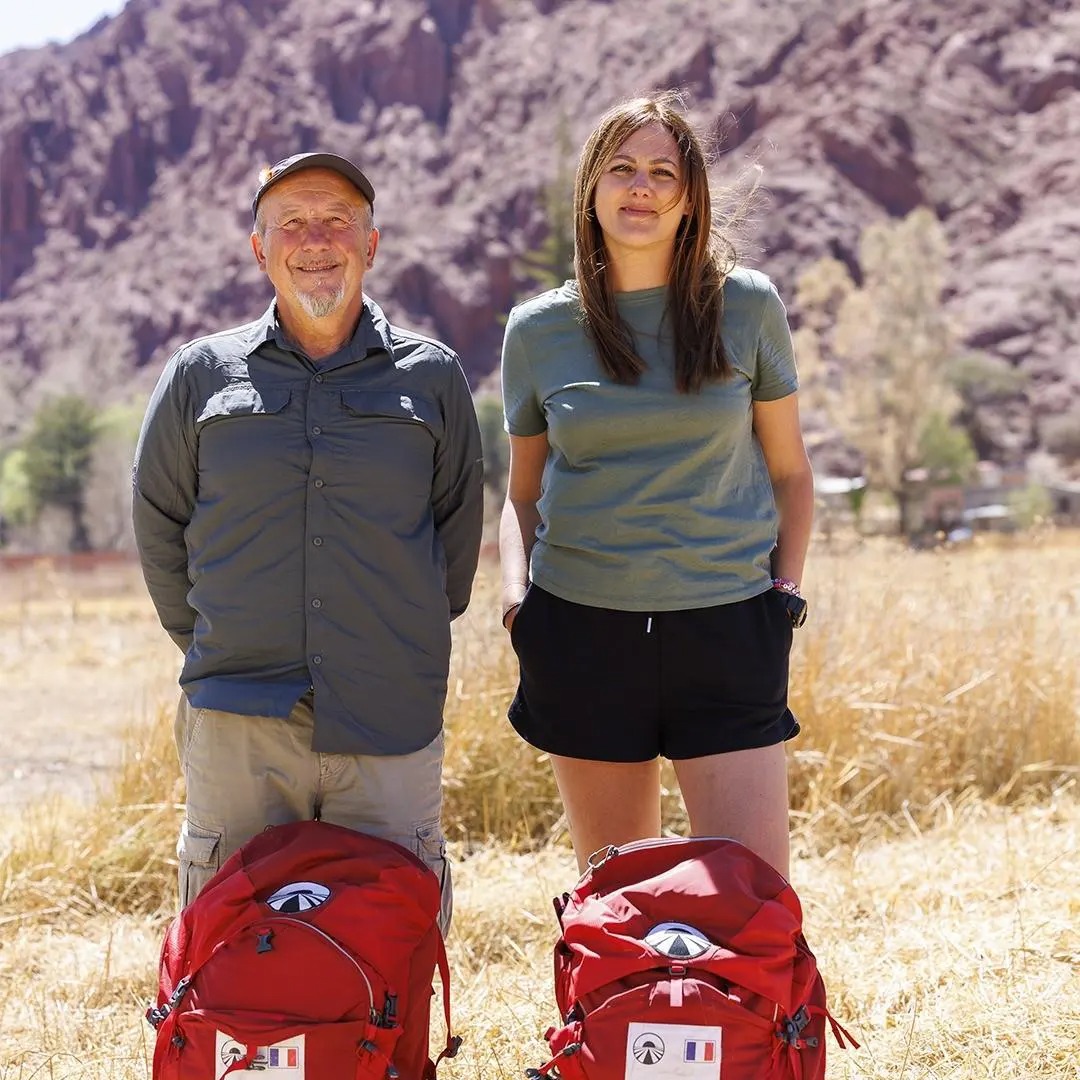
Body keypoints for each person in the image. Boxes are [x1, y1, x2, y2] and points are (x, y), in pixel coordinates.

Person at [133, 152, 484, 930]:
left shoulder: (432, 377)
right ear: (260, 249)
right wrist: (220, 639)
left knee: (393, 935)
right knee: (231, 943)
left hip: (389, 714)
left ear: (372, 243)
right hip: (240, 716)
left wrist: (399, 635)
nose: (315, 239)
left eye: (336, 221)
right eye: (291, 222)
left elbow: (454, 544)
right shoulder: (200, 374)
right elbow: (158, 520)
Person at [499, 94, 813, 877]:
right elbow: (521, 492)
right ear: (592, 191)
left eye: (661, 172)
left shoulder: (747, 306)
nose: (640, 187)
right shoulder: (537, 330)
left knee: (754, 893)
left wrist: (784, 593)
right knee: (617, 895)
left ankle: (760, 1007)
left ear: (689, 196)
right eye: (622, 168)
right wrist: (516, 603)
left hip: (728, 627)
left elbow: (790, 472)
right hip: (582, 631)